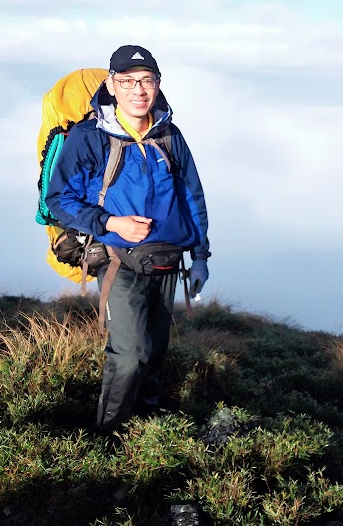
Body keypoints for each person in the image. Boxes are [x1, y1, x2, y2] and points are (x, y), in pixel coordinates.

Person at [45, 44, 210, 431]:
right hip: (118, 259)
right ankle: (110, 434)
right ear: (111, 84)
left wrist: (200, 254)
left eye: (147, 80)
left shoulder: (170, 135)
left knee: (154, 350)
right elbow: (59, 199)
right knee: (129, 354)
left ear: (158, 84)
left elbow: (192, 196)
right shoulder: (89, 137)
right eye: (128, 80)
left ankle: (146, 425)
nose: (139, 89)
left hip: (167, 259)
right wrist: (111, 224)